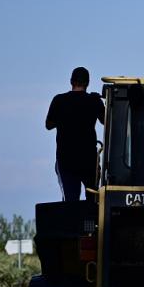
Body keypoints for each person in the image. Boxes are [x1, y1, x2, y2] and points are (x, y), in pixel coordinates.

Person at [46, 67, 105, 201]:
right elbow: (106, 120)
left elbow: (48, 125)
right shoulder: (94, 101)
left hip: (66, 161)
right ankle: (90, 222)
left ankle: (73, 221)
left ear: (71, 81)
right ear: (87, 83)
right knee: (92, 199)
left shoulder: (59, 100)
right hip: (89, 160)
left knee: (71, 200)